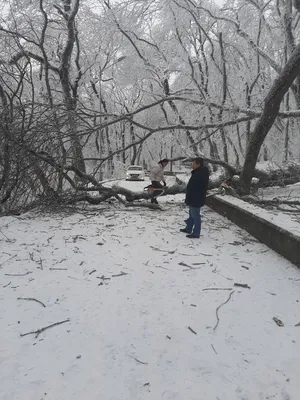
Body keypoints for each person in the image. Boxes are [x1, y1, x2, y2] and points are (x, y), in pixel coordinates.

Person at [180, 157, 209, 238]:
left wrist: (191, 195)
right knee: (191, 214)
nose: (192, 165)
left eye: (194, 164)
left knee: (195, 215)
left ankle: (196, 233)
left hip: (196, 198)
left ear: (198, 164)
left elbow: (197, 187)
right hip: (193, 197)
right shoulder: (198, 172)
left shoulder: (201, 173)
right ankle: (188, 228)